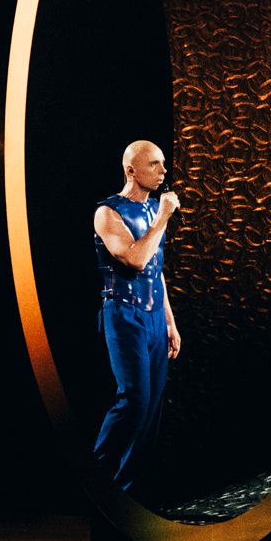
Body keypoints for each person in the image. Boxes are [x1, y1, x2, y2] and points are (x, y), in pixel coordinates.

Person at [91, 139, 183, 494]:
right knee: (135, 399)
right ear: (131, 170)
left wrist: (171, 322)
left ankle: (127, 492)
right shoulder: (107, 212)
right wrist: (162, 218)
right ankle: (95, 478)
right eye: (155, 165)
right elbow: (134, 259)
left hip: (154, 316)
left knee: (153, 406)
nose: (163, 171)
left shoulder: (150, 211)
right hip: (124, 313)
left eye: (163, 164)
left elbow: (155, 270)